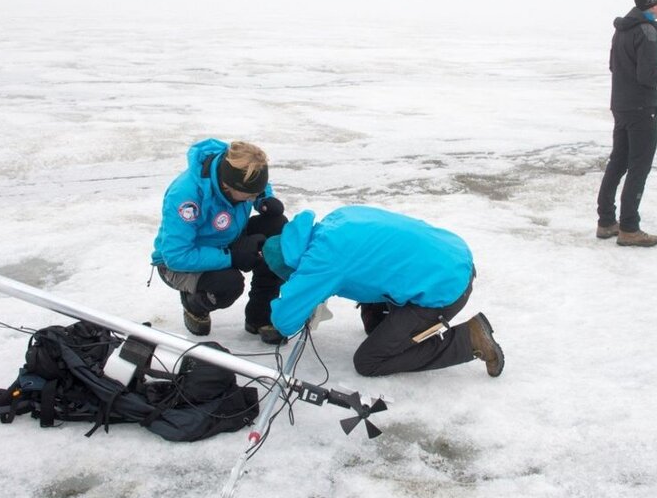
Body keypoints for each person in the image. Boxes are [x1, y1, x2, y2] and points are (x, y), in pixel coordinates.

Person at [259, 205, 504, 378]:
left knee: (369, 361)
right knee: (374, 319)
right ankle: (390, 326)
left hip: (445, 287)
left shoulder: (320, 263)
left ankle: (468, 340)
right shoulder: (336, 219)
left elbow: (285, 321)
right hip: (453, 253)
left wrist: (292, 305)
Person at [151, 139, 288, 342]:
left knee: (275, 227)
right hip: (178, 263)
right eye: (250, 195)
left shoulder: (236, 171)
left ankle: (260, 316)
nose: (252, 198)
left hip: (226, 238)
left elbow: (259, 186)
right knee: (228, 284)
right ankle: (194, 304)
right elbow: (176, 255)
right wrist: (231, 257)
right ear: (228, 185)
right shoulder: (186, 196)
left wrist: (264, 200)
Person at [596, 0, 657, 247]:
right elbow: (647, 75)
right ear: (652, 2)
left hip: (621, 105)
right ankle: (629, 227)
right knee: (638, 167)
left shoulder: (622, 29)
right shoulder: (646, 31)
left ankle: (606, 221)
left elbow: (614, 66)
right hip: (642, 108)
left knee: (618, 162)